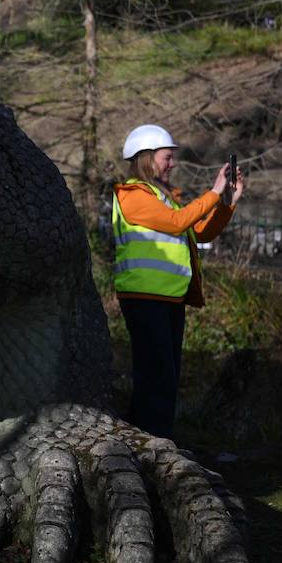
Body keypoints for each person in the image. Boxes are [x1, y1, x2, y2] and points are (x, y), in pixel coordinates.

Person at [112, 124, 245, 439]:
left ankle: (146, 440)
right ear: (147, 158)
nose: (172, 164)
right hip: (143, 298)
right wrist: (214, 191)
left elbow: (199, 232)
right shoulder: (132, 194)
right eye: (167, 157)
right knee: (157, 376)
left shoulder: (164, 198)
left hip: (168, 298)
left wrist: (227, 202)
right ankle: (152, 444)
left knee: (164, 376)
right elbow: (177, 223)